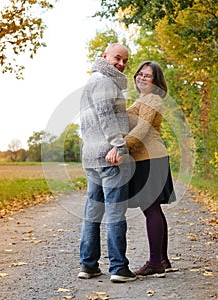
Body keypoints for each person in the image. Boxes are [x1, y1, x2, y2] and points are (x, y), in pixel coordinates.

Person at [107, 61, 176, 277]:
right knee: (153, 208)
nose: (142, 78)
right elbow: (127, 118)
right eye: (140, 74)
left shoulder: (153, 98)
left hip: (151, 158)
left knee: (150, 208)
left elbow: (143, 129)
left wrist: (120, 148)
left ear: (156, 82)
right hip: (150, 158)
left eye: (148, 76)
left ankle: (155, 262)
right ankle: (162, 260)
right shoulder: (143, 99)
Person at [78, 43, 136, 283]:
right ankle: (118, 268)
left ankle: (88, 265)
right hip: (109, 156)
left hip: (92, 156)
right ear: (105, 57)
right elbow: (105, 115)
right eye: (117, 58)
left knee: (93, 213)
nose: (121, 64)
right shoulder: (103, 80)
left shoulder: (93, 80)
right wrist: (119, 145)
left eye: (125, 61)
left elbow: (86, 124)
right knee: (114, 212)